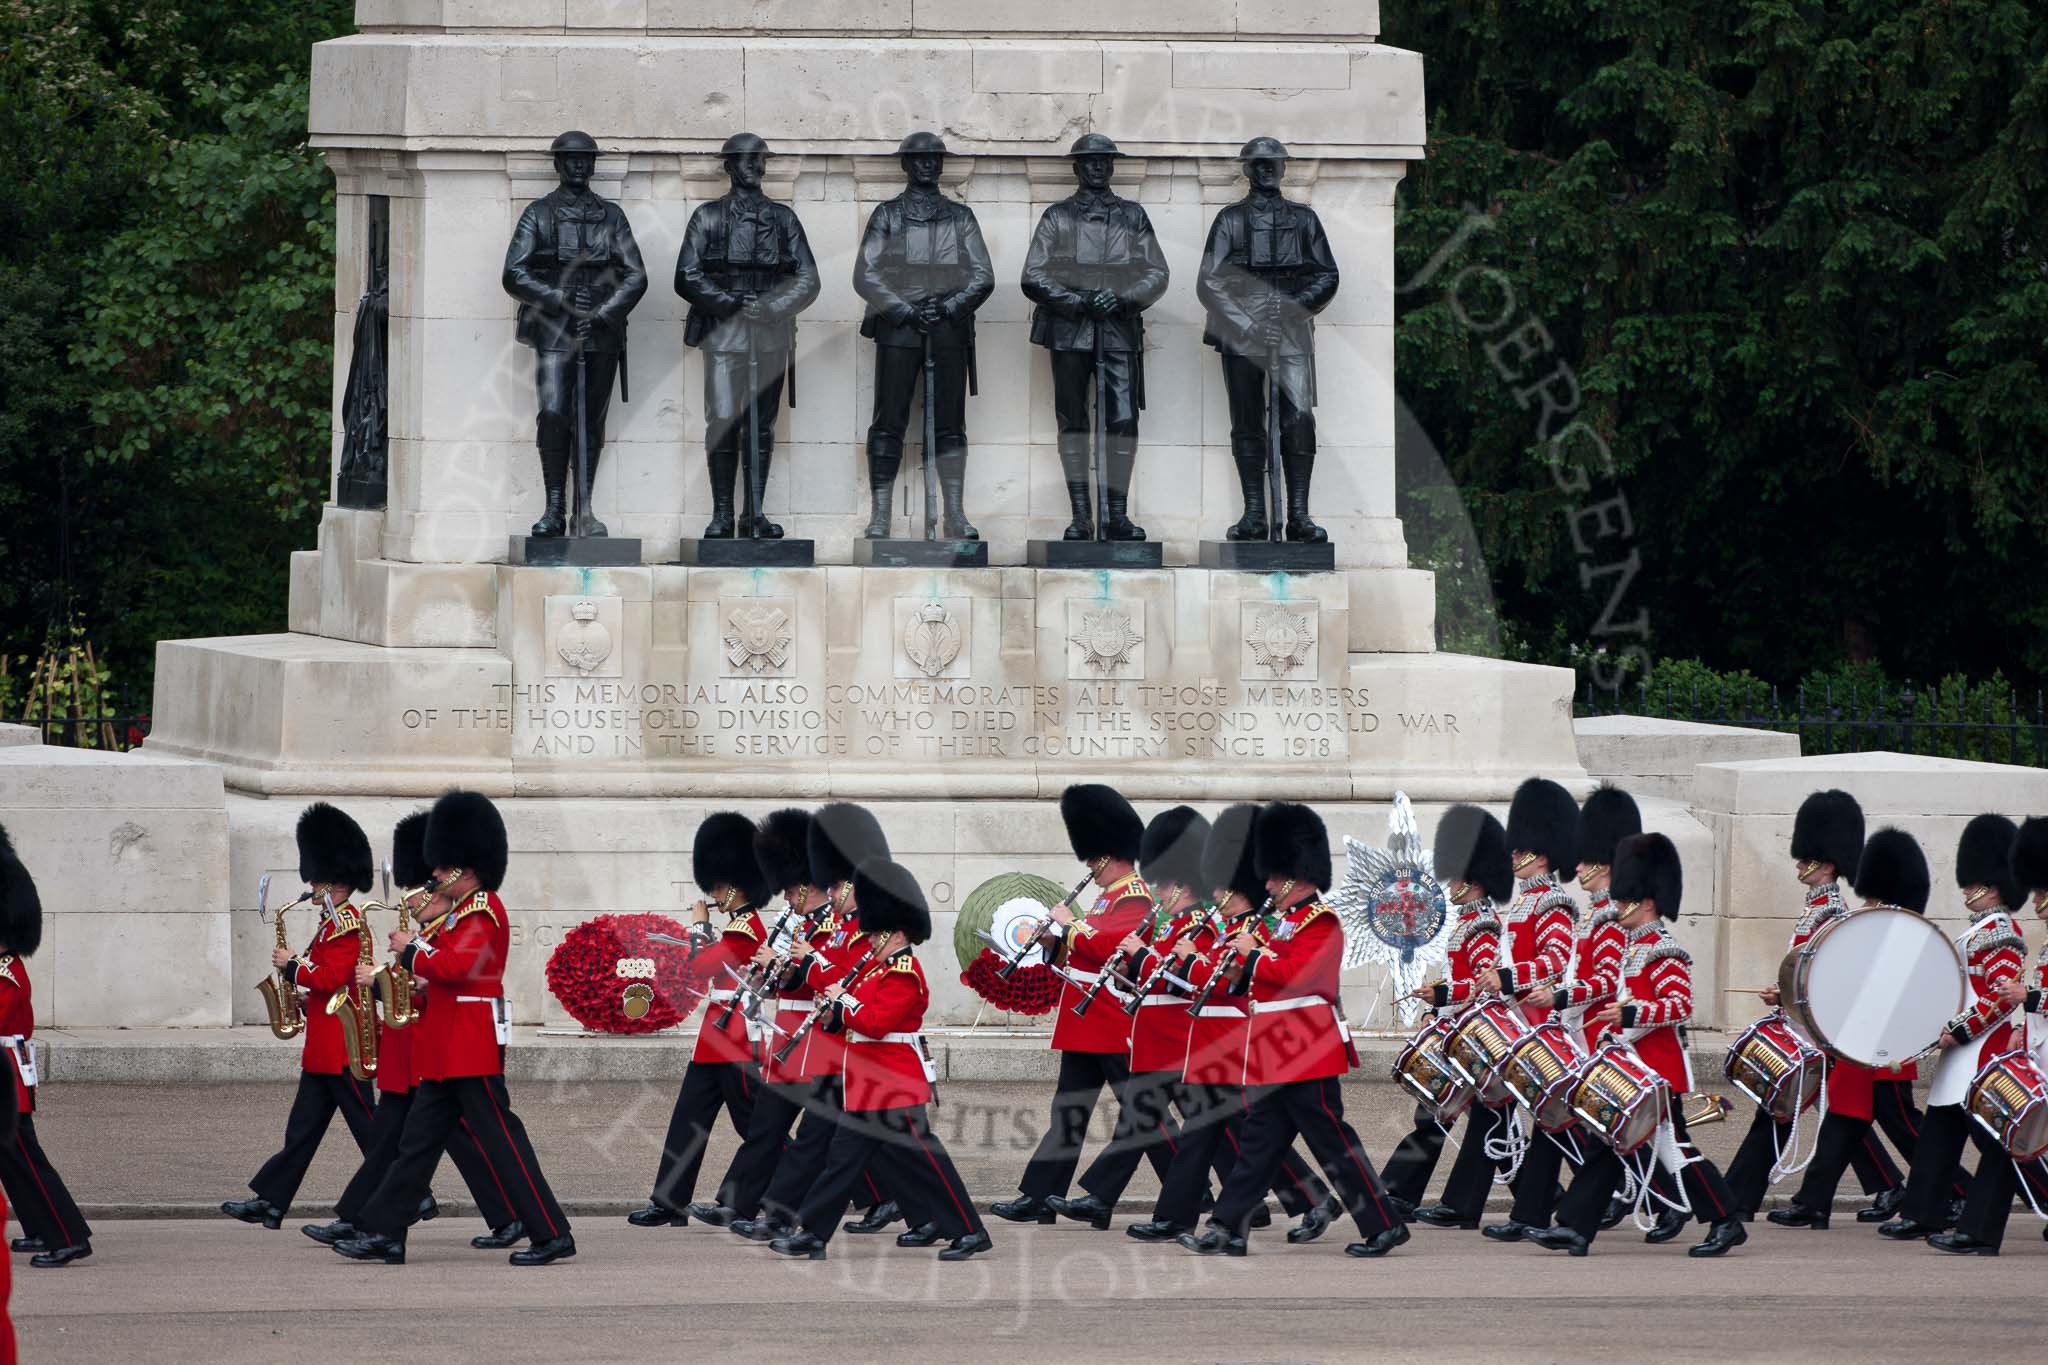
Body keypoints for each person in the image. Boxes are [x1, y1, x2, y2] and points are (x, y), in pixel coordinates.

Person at [333, 791, 575, 1266]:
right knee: (415, 1146)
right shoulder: (460, 912)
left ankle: (551, 1233)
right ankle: (387, 1232)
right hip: (445, 1048)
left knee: (503, 1141)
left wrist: (410, 951)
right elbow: (441, 975)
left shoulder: (484, 910)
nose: (436, 875)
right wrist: (411, 977)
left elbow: (461, 967)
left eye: (444, 868)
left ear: (466, 867)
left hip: (469, 1045)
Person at [1179, 802, 1407, 1258]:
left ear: (1293, 874)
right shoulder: (1280, 924)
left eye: (1272, 876)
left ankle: (1383, 1224)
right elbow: (1260, 981)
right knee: (1258, 1145)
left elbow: (1303, 977)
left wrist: (1254, 955)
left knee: (1333, 1143)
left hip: (1307, 1050)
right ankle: (1228, 1228)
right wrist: (1239, 961)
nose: (1265, 884)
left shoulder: (1321, 922)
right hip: (1274, 1052)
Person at [301, 811, 522, 1252]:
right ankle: (364, 1218)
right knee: (392, 1140)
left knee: (456, 1138)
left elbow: (446, 978)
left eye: (423, 886)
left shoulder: (461, 921)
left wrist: (389, 970)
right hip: (413, 1046)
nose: (416, 897)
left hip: (438, 1045)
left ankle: (509, 1214)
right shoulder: (439, 926)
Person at [1530, 833, 1746, 1257]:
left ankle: (1725, 1219)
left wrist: (1629, 1016)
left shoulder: (1664, 950)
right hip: (1632, 1066)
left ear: (1647, 902)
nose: (1619, 905)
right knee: (1606, 1144)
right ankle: (1575, 1227)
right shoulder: (1634, 948)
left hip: (1658, 1069)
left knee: (1675, 1151)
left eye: (1628, 898)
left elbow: (1678, 1005)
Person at [1126, 804, 1333, 1242]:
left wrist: (1180, 963)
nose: (1213, 889)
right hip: (1210, 1039)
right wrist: (1170, 963)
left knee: (1252, 1134)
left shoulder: (1252, 931)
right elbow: (1198, 980)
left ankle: (1312, 1198)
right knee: (1208, 1132)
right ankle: (1176, 1216)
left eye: (1221, 882)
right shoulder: (1225, 928)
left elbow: (1225, 985)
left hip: (1235, 1039)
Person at [769, 858, 992, 1261]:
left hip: (894, 1084)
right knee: (840, 1164)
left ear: (895, 932)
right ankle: (813, 1234)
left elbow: (874, 1023)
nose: (868, 941)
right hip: (869, 1085)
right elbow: (856, 1018)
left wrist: (842, 1001)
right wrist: (834, 1010)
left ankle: (971, 1230)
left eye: (875, 935)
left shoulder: (903, 973)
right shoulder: (876, 971)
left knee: (928, 1164)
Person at [991, 785, 1176, 1224]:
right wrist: (1055, 939)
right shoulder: (1108, 895)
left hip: (1109, 1015)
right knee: (1068, 1112)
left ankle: (1190, 1188)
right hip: (1085, 1018)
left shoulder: (1133, 895)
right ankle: (1040, 1196)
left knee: (1143, 1111)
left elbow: (1111, 947)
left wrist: (1070, 925)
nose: (1090, 869)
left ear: (1111, 856)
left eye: (1093, 860)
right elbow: (1080, 950)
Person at [732, 803, 911, 1242]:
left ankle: (923, 1214)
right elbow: (825, 978)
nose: (830, 894)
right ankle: (785, 1217)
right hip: (829, 1040)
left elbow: (849, 984)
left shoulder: (858, 931)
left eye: (835, 887)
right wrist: (784, 969)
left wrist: (807, 962)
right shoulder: (839, 927)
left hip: (846, 1043)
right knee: (829, 1141)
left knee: (876, 1146)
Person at [1723, 790, 1904, 1222]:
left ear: (1827, 864)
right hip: (1804, 1024)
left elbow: (1833, 978)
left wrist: (1791, 999)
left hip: (1817, 1030)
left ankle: (1735, 1199)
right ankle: (1889, 1184)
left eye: (1807, 859)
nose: (1799, 865)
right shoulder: (1815, 911)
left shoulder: (1833, 912)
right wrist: (1781, 992)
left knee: (1779, 1109)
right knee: (1833, 1116)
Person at [1422, 778, 1578, 1233]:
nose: (1512, 856)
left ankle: (1589, 1192)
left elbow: (1553, 961)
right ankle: (1495, 1204)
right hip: (1515, 1021)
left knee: (1562, 1119)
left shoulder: (1555, 902)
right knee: (1497, 1112)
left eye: (1522, 848)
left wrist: (1506, 978)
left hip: (1541, 1021)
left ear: (1543, 853)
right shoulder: (1524, 904)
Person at [1866, 815, 2025, 1242]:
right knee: (1939, 1132)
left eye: (1972, 882)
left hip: (1981, 1047)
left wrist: (1960, 1028)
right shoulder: (1978, 930)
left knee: (1993, 1140)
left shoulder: (2002, 934)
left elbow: (1998, 998)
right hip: (1961, 1047)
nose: (1964, 889)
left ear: (1992, 886)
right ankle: (1923, 1212)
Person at [223, 803, 379, 1231]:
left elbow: (333, 977)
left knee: (371, 1131)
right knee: (302, 1132)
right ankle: (271, 1202)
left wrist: (293, 966)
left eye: (317, 876)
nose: (310, 884)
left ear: (337, 878)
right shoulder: (330, 924)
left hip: (343, 1045)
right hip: (324, 1045)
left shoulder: (347, 924)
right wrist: (300, 998)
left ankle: (414, 1194)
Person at [1783, 827, 1936, 1236]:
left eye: (1873, 894)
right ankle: (1812, 1203)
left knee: (1903, 1124)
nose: (1866, 901)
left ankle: (1956, 1191)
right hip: (1857, 1039)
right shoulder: (1874, 923)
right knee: (1843, 1119)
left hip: (1886, 1045)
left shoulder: (1904, 931)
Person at [1021, 133, 1170, 542]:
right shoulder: (1057, 216)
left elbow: (1156, 272)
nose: (1098, 167)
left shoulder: (1132, 215)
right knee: (1073, 421)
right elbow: (1033, 275)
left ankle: (1117, 515)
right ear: (1077, 167)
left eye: (1105, 161)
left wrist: (1121, 298)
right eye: (1090, 161)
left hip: (1119, 329)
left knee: (1122, 419)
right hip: (1070, 330)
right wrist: (1078, 301)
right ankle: (1081, 516)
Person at [502, 129, 649, 538]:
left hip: (600, 332)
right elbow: (514, 273)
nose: (580, 166)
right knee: (553, 413)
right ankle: (553, 506)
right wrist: (562, 299)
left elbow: (635, 275)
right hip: (553, 329)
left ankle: (584, 508)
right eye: (572, 159)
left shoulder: (611, 216)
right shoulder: (539, 214)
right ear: (558, 165)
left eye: (586, 160)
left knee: (591, 419)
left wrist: (603, 313)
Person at [628, 812, 771, 1228]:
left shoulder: (746, 928)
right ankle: (669, 1200)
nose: (712, 893)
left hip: (738, 1036)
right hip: (716, 1035)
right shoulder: (736, 927)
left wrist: (697, 926)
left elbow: (700, 969)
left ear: (733, 886)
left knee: (757, 1126)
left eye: (717, 887)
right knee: (688, 1120)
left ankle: (798, 1188)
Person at [675, 132, 820, 539]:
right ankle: (722, 513)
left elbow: (808, 279)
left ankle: (753, 512)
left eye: (759, 160)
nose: (754, 167)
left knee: (761, 425)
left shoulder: (783, 219)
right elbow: (686, 275)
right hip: (723, 334)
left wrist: (772, 306)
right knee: (722, 418)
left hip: (770, 335)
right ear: (729, 167)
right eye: (745, 160)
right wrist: (731, 304)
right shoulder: (708, 217)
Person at [1195, 136, 1339, 543]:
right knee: (1247, 421)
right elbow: (1209, 282)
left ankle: (1298, 515)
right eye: (1258, 165)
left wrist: (1294, 307)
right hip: (1240, 333)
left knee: (1298, 420)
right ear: (1246, 170)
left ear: (1283, 167)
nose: (1266, 170)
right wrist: (1249, 322)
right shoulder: (1229, 220)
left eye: (1273, 163)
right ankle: (1255, 513)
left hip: (1292, 331)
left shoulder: (1304, 220)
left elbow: (1327, 274)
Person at [853, 131, 995, 540]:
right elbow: (866, 274)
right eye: (919, 159)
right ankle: (881, 515)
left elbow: (982, 276)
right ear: (905, 165)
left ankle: (954, 513)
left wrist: (949, 308)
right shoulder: (888, 215)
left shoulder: (960, 217)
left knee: (950, 425)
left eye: (934, 158)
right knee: (888, 421)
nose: (928, 165)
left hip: (949, 330)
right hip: (898, 330)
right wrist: (904, 310)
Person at [1384, 803, 1508, 1221]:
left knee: (1445, 1114)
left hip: (1474, 1036)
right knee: (1454, 1115)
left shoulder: (1486, 926)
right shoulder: (1467, 922)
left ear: (1472, 881)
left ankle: (1414, 1195)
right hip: (1456, 1031)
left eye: (1456, 875)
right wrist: (1435, 1010)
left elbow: (1482, 985)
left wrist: (1441, 997)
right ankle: (1420, 1195)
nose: (1449, 882)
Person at [1937, 815, 2048, 1254]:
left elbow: (2035, 994)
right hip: (2041, 1053)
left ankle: (1977, 1233)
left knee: (2010, 1141)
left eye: (2041, 892)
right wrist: (2025, 1027)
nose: (2037, 900)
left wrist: (2029, 998)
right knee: (2010, 1140)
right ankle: (1978, 1233)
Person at [0, 824, 90, 1268]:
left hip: (8, 1076)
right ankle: (40, 1228)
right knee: (10, 1160)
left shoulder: (7, 970)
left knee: (27, 1160)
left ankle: (67, 1235)